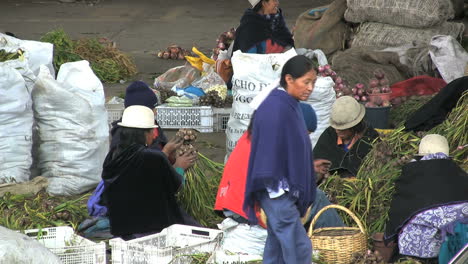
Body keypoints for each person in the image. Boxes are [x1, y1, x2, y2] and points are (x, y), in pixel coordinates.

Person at [242, 55, 317, 263]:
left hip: (281, 189)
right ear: (289, 79)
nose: (310, 88)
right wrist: (277, 189)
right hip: (276, 189)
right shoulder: (275, 107)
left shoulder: (289, 104)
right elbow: (269, 151)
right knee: (298, 245)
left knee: (277, 244)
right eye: (306, 82)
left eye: (313, 82)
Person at [87, 81, 184, 218]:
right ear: (143, 133)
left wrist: (170, 156)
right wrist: (177, 166)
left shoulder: (149, 130)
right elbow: (157, 182)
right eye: (153, 108)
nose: (156, 111)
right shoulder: (124, 151)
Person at [100, 105, 198, 240]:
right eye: (152, 131)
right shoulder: (152, 158)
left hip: (120, 227)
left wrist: (166, 153)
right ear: (143, 134)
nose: (154, 135)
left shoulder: (112, 156)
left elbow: (139, 177)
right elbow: (176, 186)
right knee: (196, 230)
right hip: (150, 227)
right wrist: (179, 166)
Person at [384, 134, 468, 261]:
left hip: (422, 252)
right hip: (460, 248)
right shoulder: (460, 175)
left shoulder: (411, 176)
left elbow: (398, 212)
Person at [313, 96, 379, 179]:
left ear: (356, 125)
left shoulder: (371, 138)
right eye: (336, 127)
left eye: (343, 129)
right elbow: (316, 162)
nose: (337, 131)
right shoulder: (329, 135)